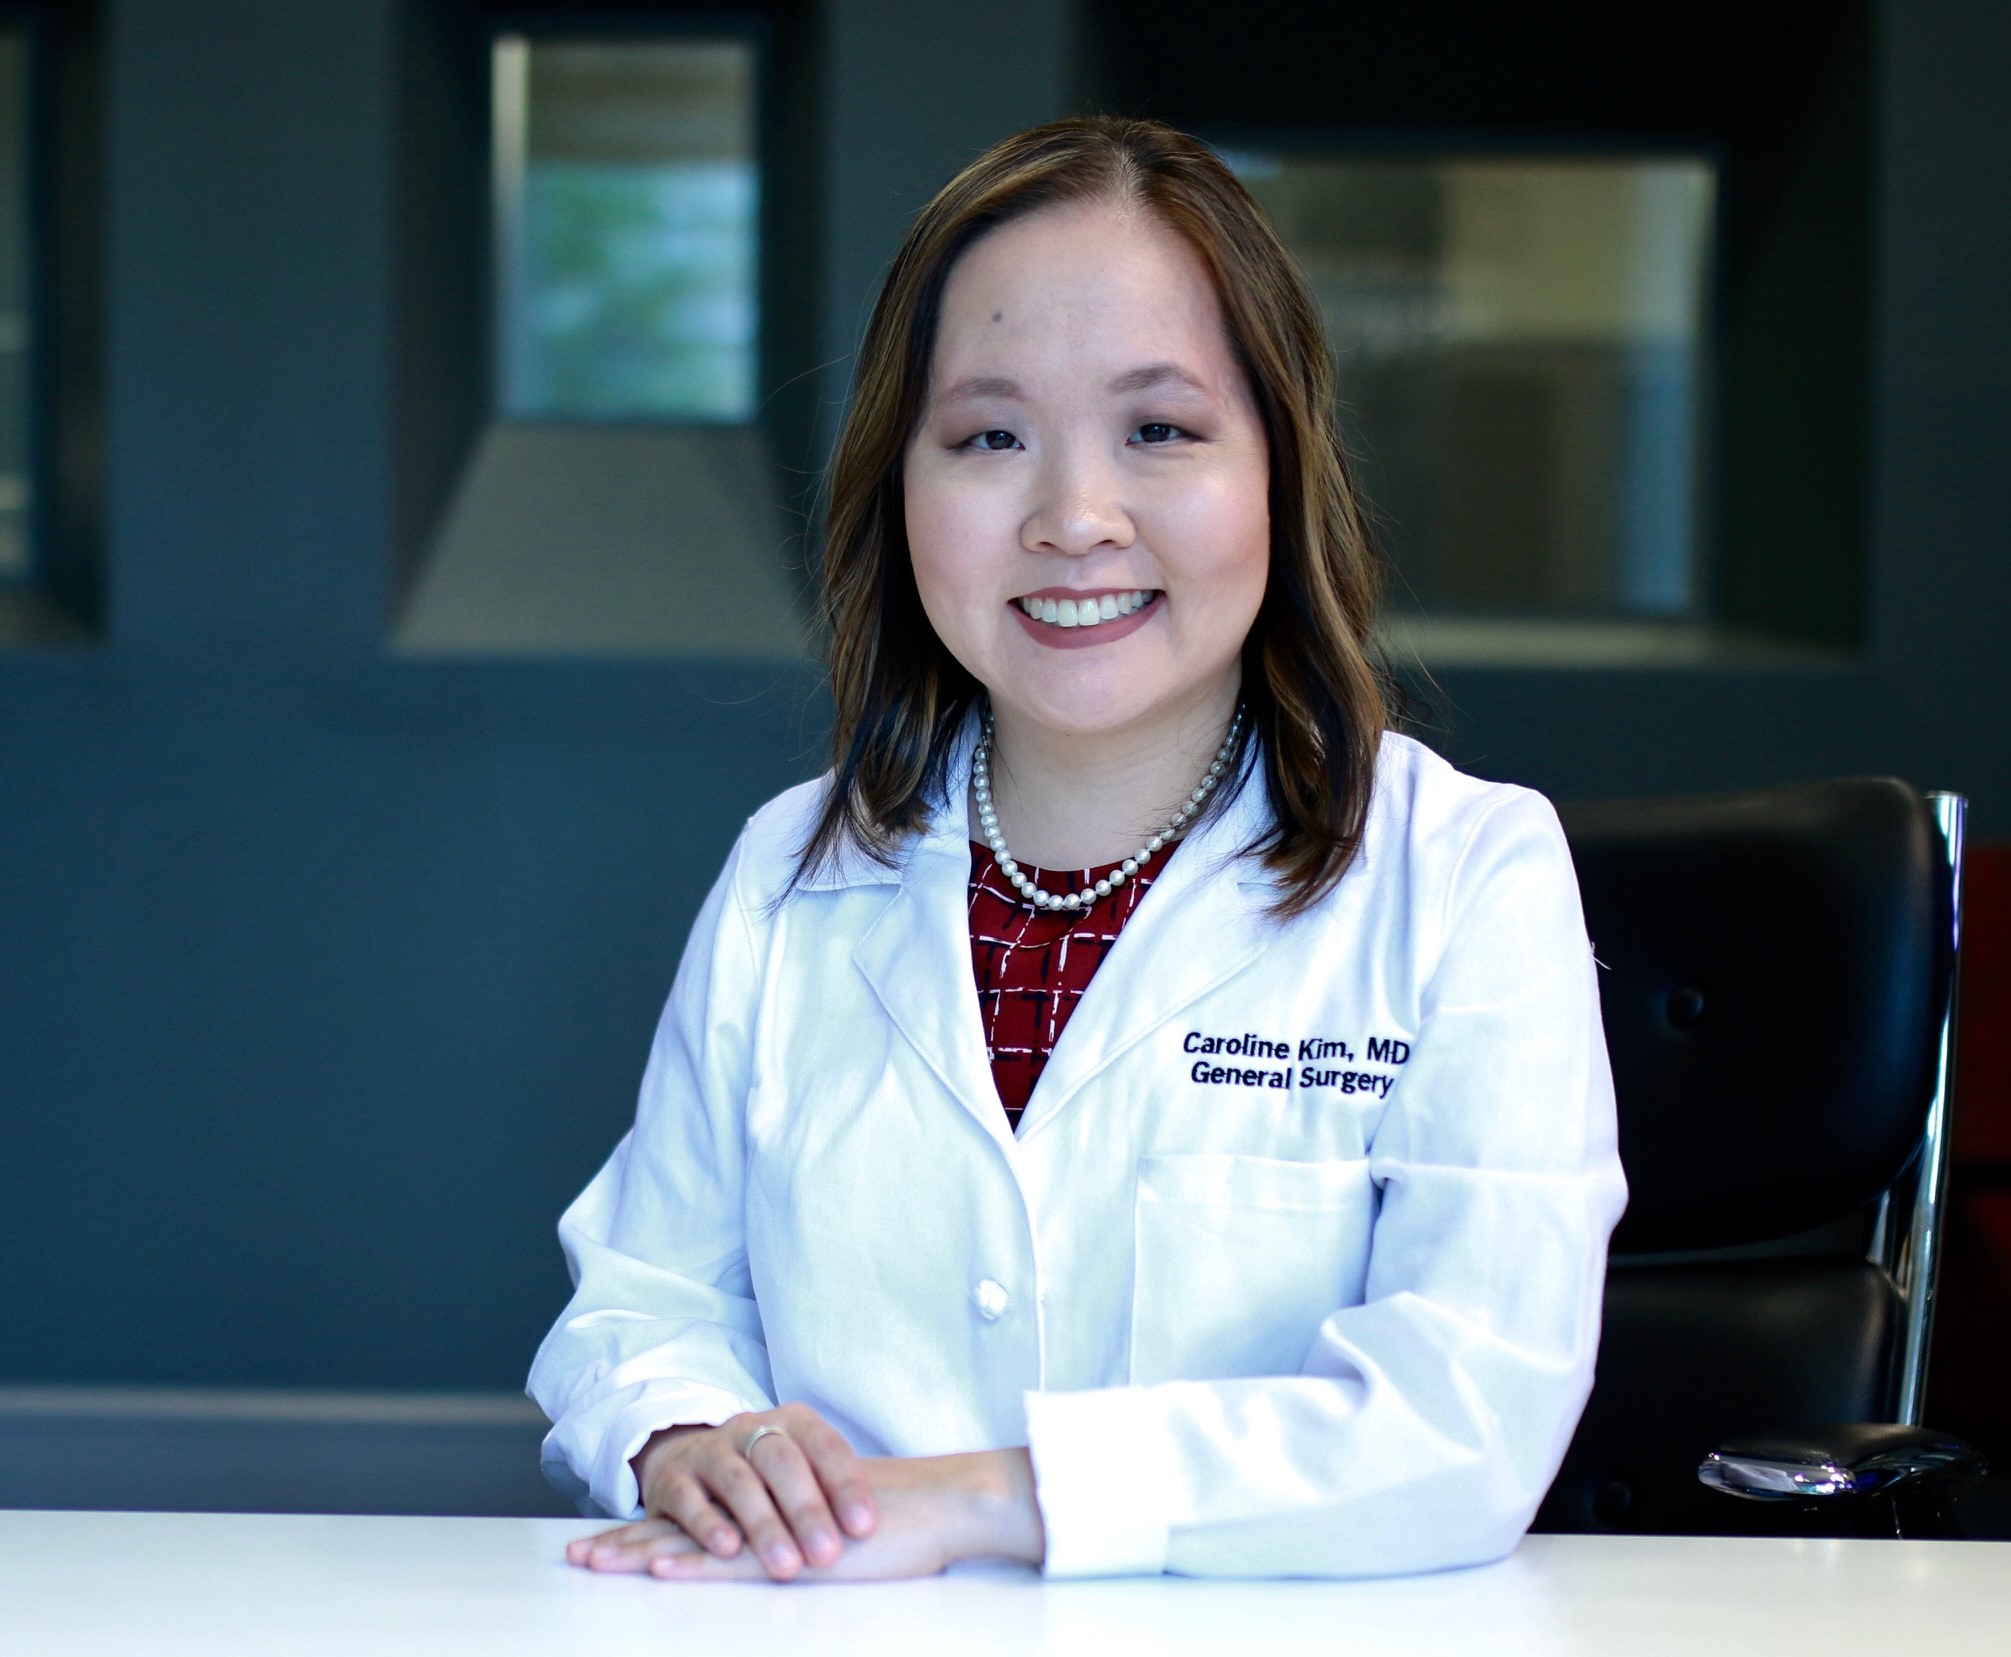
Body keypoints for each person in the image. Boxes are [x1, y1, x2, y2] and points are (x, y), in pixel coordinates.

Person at [529, 116, 1626, 1582]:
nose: (1073, 518)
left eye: (1160, 429)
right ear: (899, 489)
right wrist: (689, 1437)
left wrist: (985, 1498)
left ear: (1279, 471)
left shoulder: (1468, 874)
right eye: (989, 437)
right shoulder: (793, 870)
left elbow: (1466, 1422)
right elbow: (642, 1300)